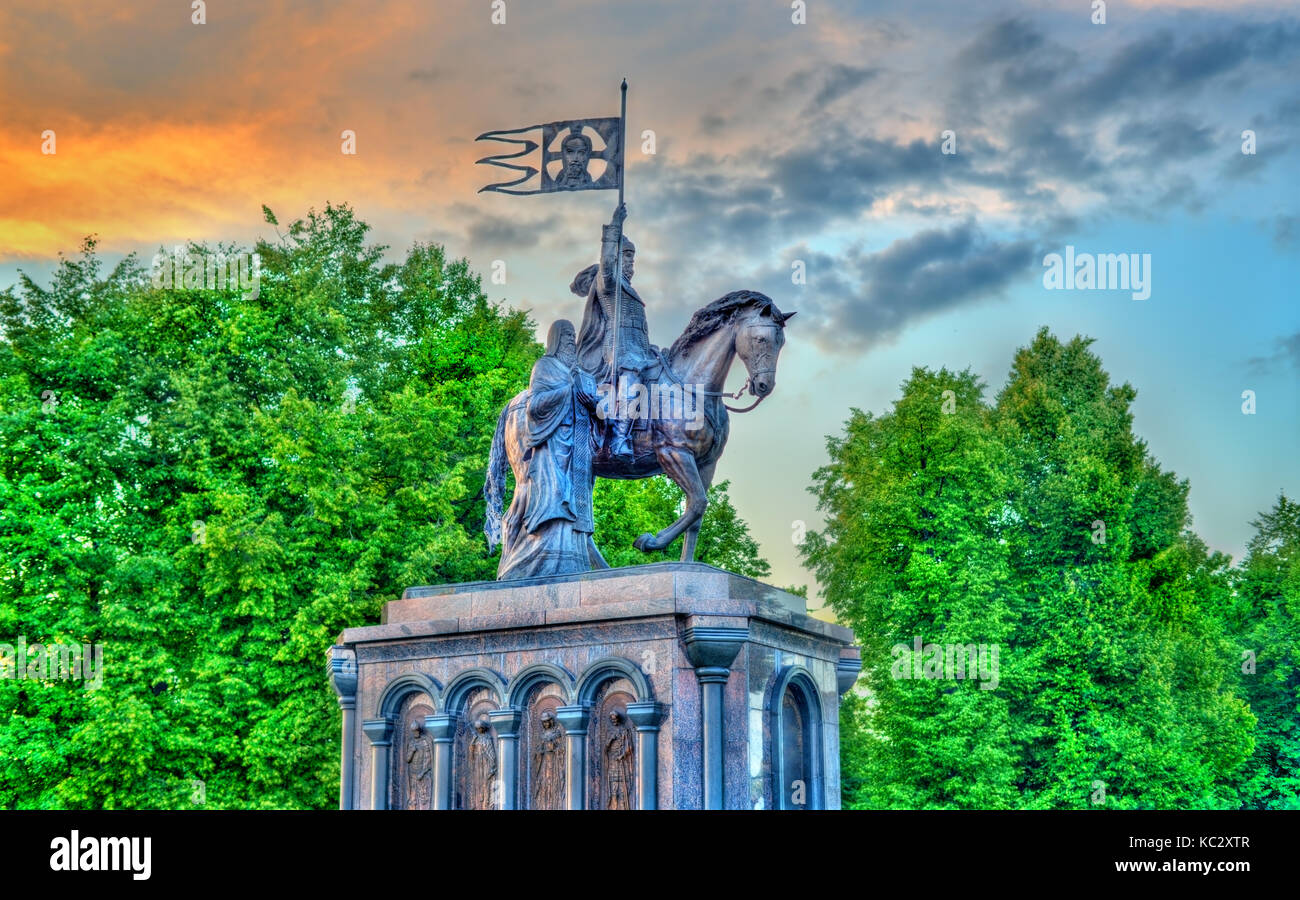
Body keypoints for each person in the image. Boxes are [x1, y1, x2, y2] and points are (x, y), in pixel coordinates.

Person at [497, 319, 600, 579]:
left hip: (577, 453)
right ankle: (537, 559)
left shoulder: (582, 375)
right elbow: (535, 407)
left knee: (575, 506)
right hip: (552, 448)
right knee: (554, 499)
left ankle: (573, 558)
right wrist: (568, 390)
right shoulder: (545, 366)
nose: (570, 341)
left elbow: (599, 415)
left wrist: (593, 403)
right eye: (565, 336)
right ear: (554, 340)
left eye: (572, 336)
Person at [575, 202, 655, 460]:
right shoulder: (608, 281)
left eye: (633, 257)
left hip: (638, 349)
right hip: (618, 349)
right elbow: (607, 262)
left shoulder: (629, 288)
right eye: (627, 256)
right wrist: (615, 226)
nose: (632, 263)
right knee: (631, 380)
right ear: (617, 257)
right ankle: (620, 438)